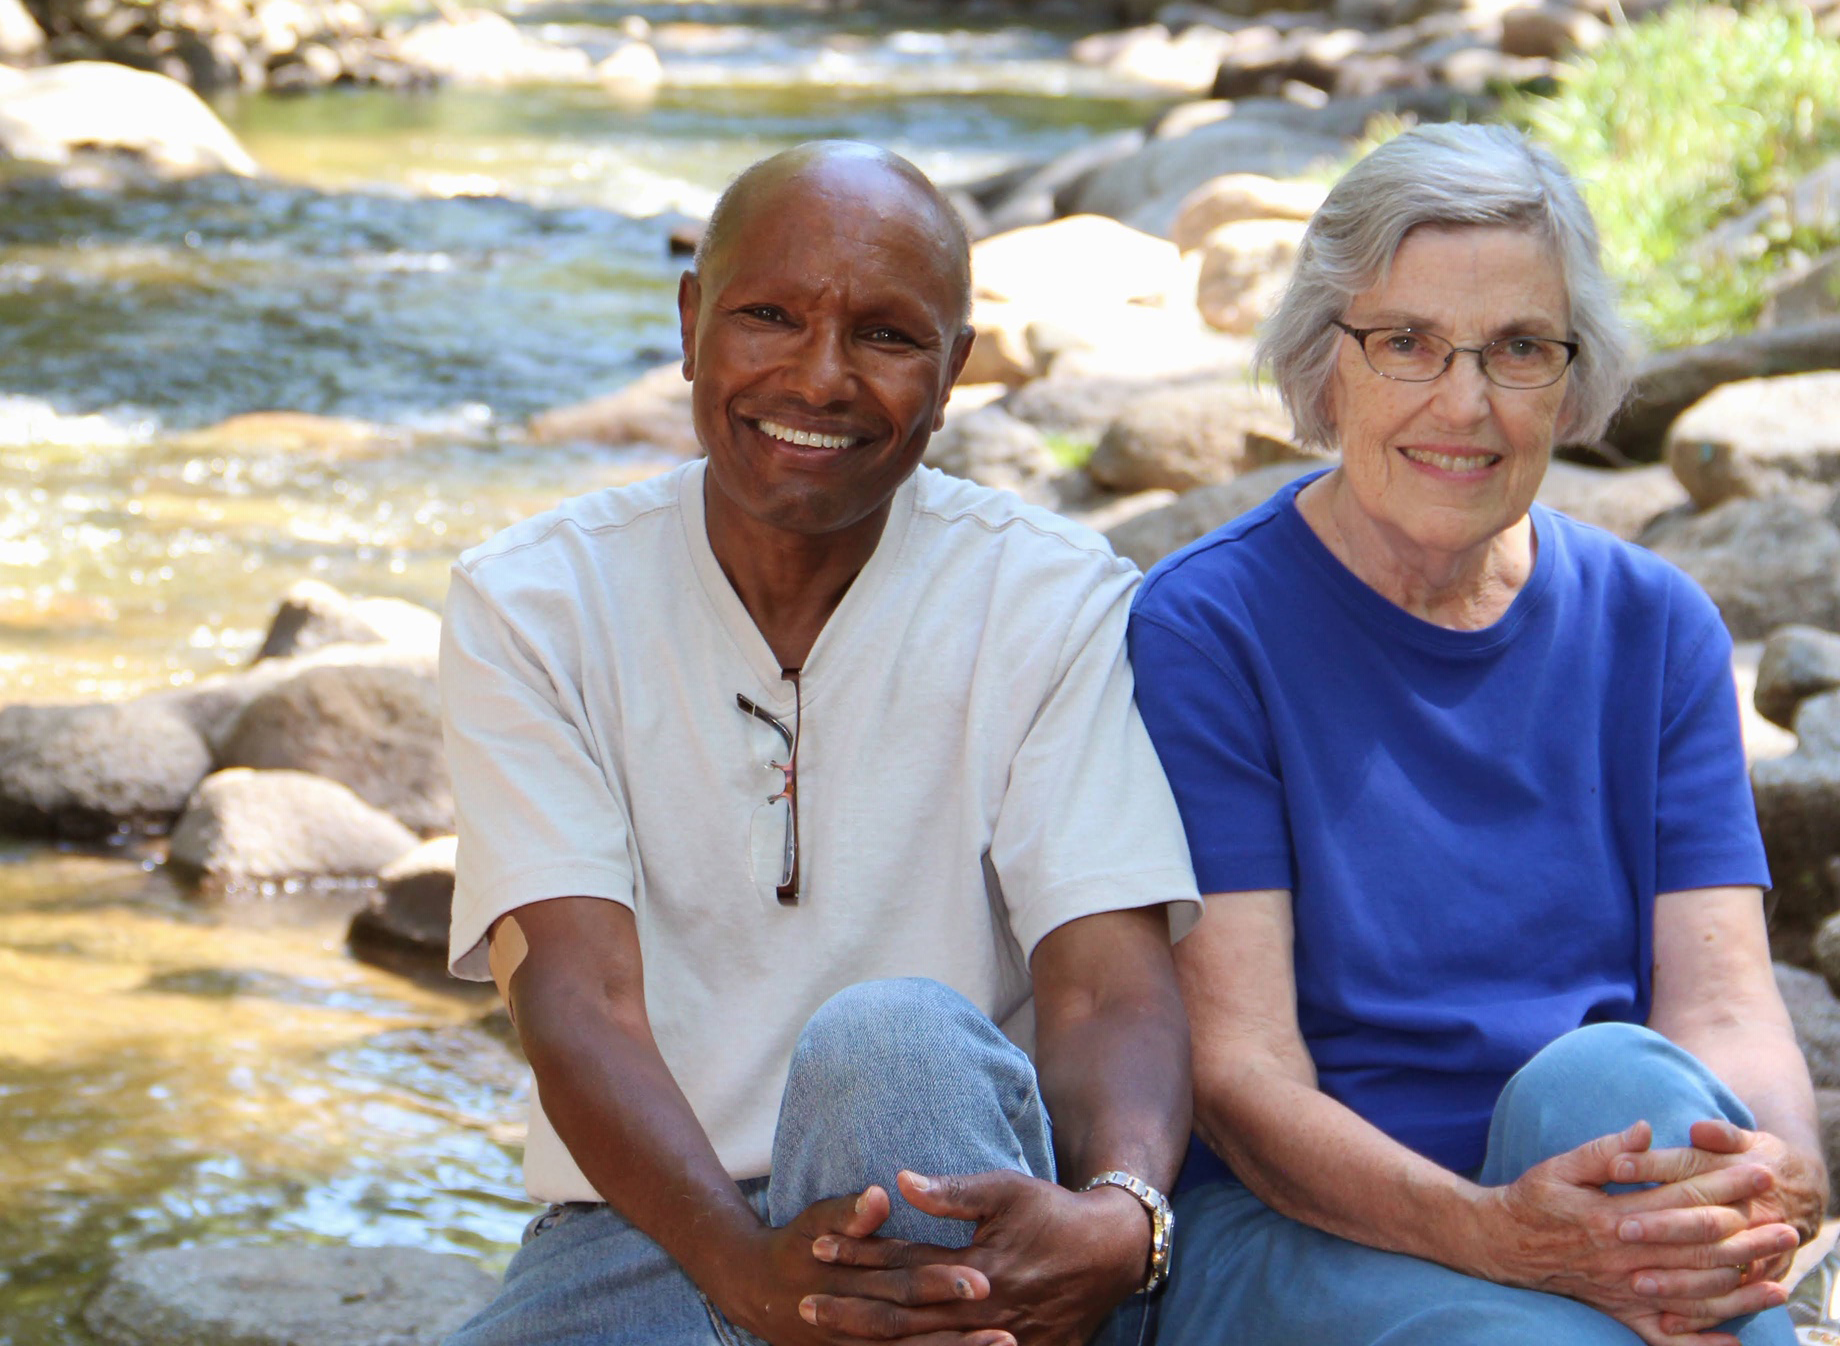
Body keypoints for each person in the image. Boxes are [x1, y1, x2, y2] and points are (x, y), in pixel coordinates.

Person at [440, 140, 1202, 1346]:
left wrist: (1122, 1214)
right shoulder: (533, 604)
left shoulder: (1046, 597)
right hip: (656, 1235)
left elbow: (1108, 982)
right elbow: (574, 1000)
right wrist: (747, 1277)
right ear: (692, 324)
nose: (821, 378)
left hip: (946, 1215)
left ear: (952, 374)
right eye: (770, 317)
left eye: (889, 337)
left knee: (888, 1042)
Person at [1127, 122, 1825, 1346]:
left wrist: (1772, 1174)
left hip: (1589, 1174)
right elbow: (1240, 1082)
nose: (1467, 403)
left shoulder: (1656, 624)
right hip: (1299, 1223)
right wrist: (1500, 1238)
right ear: (1325, 363)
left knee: (1607, 1077)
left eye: (1517, 349)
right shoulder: (1206, 628)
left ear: (1574, 371)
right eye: (1406, 344)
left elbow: (1722, 1009)